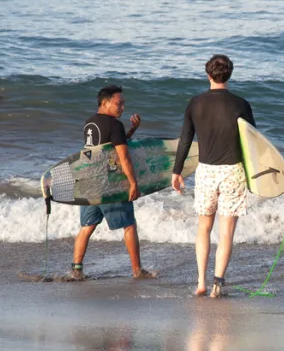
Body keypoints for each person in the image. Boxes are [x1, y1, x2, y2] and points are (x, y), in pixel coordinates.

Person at [172, 54, 255, 298]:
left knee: (203, 228)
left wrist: (177, 171)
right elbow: (253, 143)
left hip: (206, 171)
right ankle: (218, 284)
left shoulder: (195, 103)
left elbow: (186, 139)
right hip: (233, 171)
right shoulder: (241, 104)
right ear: (229, 74)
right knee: (226, 231)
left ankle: (200, 282)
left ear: (208, 75)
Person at [69, 86, 155, 280]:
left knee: (87, 227)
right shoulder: (114, 125)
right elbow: (123, 157)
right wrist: (133, 183)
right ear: (105, 102)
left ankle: (76, 269)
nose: (122, 107)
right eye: (119, 103)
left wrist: (132, 130)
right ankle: (137, 270)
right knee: (129, 226)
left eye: (123, 103)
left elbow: (110, 147)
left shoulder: (89, 123)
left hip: (89, 182)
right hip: (109, 183)